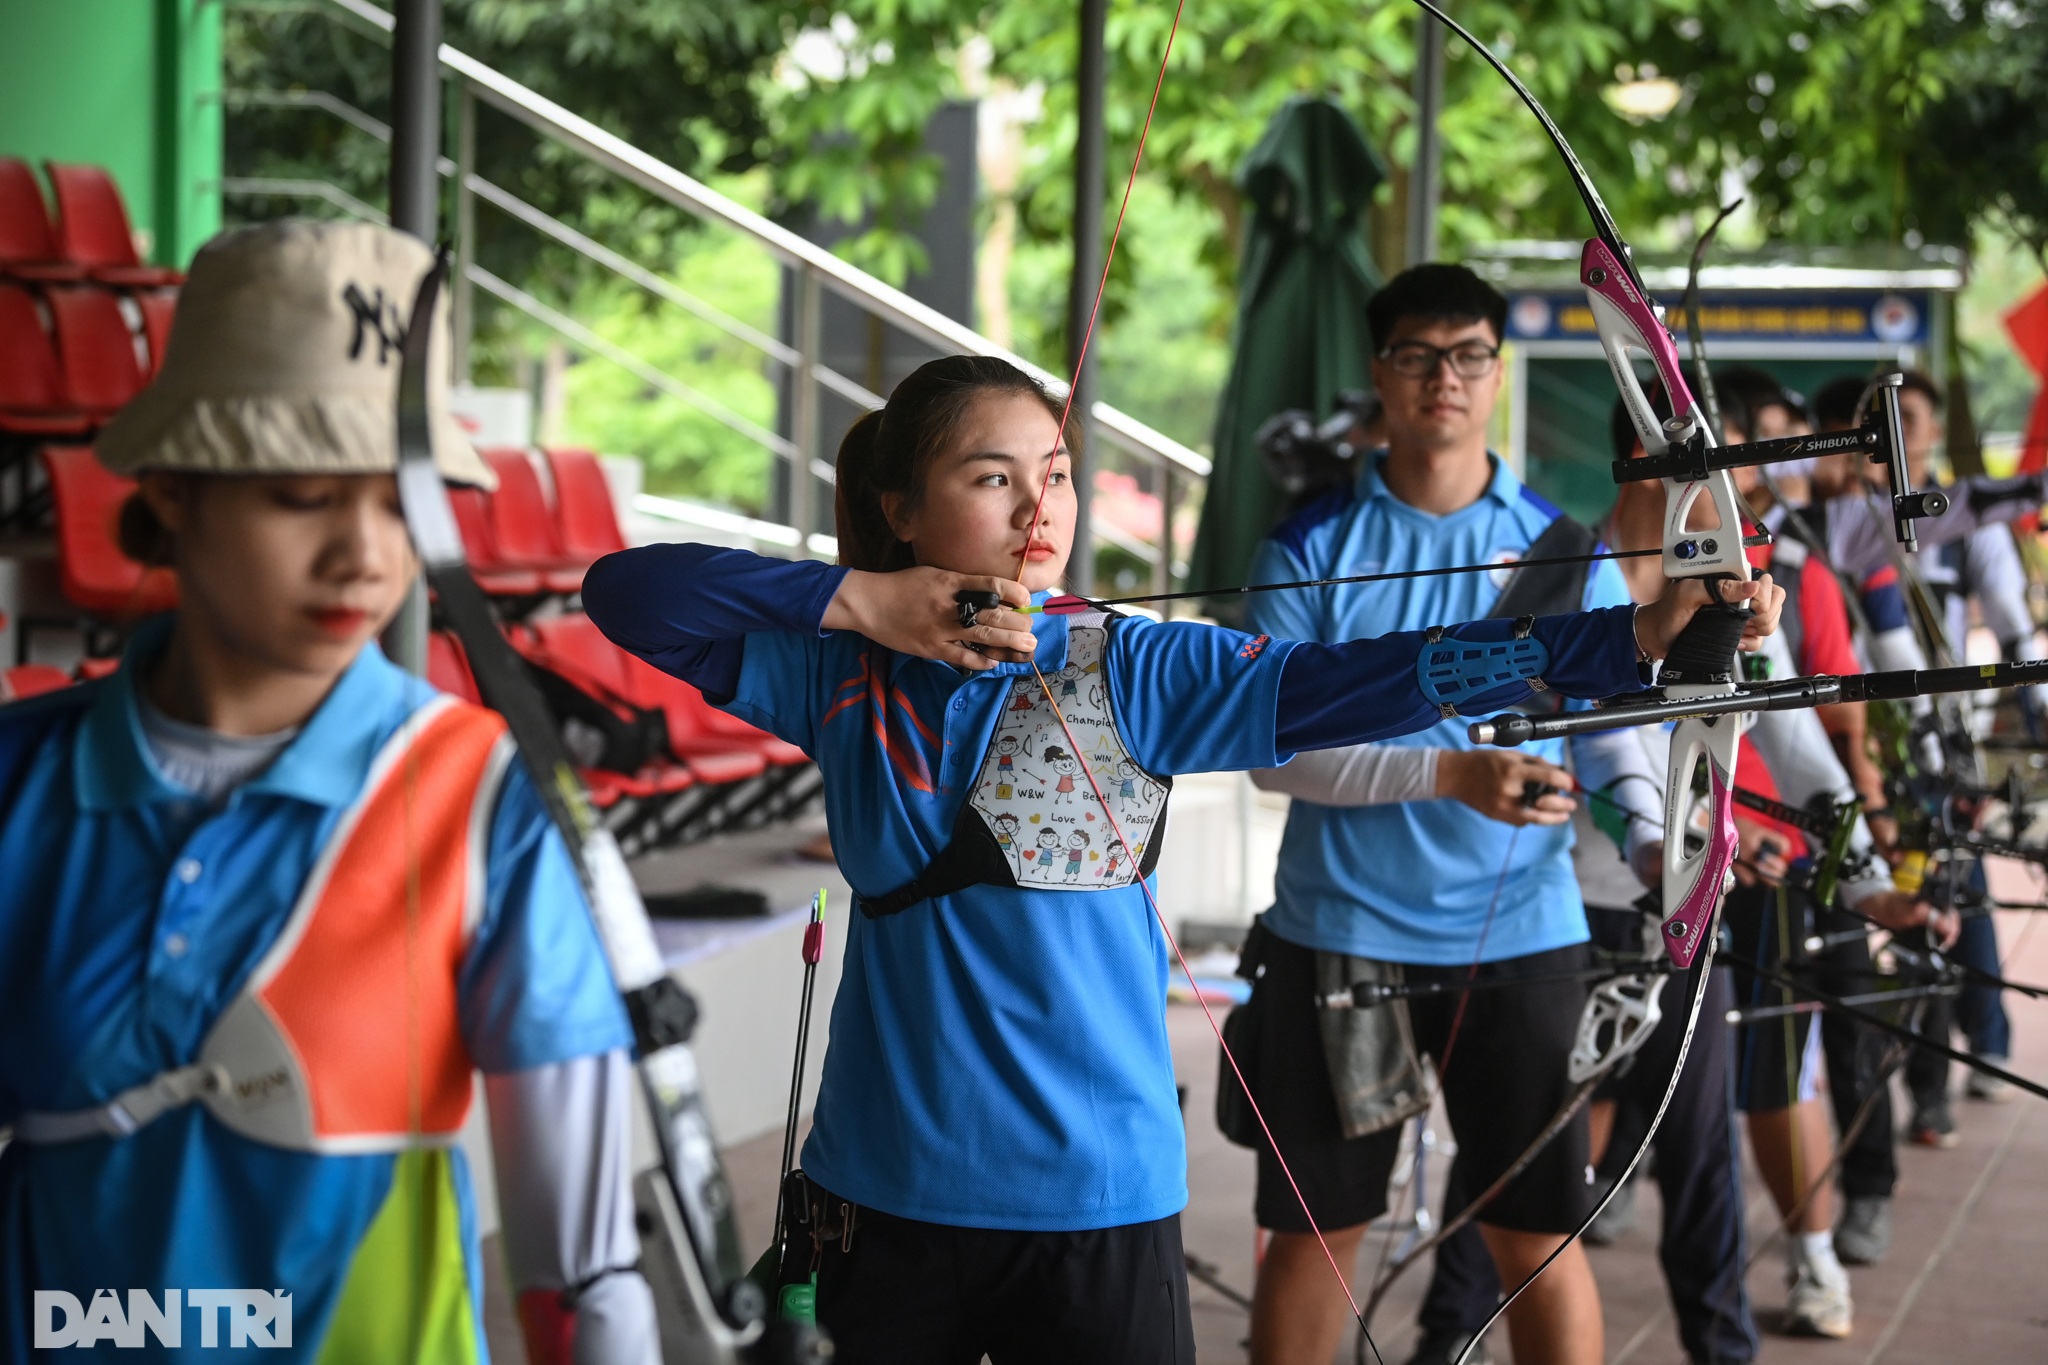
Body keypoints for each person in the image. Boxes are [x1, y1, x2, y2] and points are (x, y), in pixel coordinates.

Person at [580, 351, 1777, 1365]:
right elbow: (626, 593)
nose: (1033, 511)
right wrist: (864, 605)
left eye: (1048, 477)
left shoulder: (1131, 665)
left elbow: (1366, 679)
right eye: (989, 478)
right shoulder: (832, 671)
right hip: (879, 1191)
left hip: (1097, 1198)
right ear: (899, 506)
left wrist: (1623, 638)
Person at [0, 221, 658, 1362]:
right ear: (174, 489)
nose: (364, 553)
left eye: (402, 501)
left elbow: (582, 1276)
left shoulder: (487, 803)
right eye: (303, 495)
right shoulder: (19, 779)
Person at [1230, 264, 1777, 1365]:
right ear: (1378, 375)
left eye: (1469, 354)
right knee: (1314, 1238)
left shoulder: (1559, 546)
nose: (1445, 377)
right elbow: (1272, 753)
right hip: (1339, 935)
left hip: (1523, 937)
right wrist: (1448, 778)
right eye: (1418, 355)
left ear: (1496, 372)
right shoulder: (1306, 548)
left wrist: (1652, 838)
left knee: (1535, 1233)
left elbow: (1609, 725)